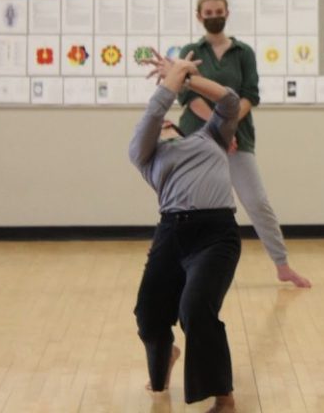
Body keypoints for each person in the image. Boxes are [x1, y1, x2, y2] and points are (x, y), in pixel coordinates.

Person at [129, 50, 241, 413]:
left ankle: (223, 396)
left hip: (216, 235)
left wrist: (186, 78)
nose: (162, 126)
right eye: (158, 125)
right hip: (172, 234)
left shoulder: (210, 139)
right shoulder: (146, 155)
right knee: (148, 314)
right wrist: (171, 80)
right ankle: (165, 358)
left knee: (194, 308)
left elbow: (229, 101)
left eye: (167, 123)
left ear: (180, 127)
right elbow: (151, 116)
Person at [178, 0, 311, 288]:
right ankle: (185, 267)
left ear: (227, 13)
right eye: (208, 13)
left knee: (257, 201)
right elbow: (187, 96)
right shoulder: (190, 50)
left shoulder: (244, 53)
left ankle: (283, 265)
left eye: (218, 12)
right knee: (189, 205)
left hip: (240, 136)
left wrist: (229, 127)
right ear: (199, 17)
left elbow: (251, 95)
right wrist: (218, 129)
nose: (214, 17)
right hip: (197, 139)